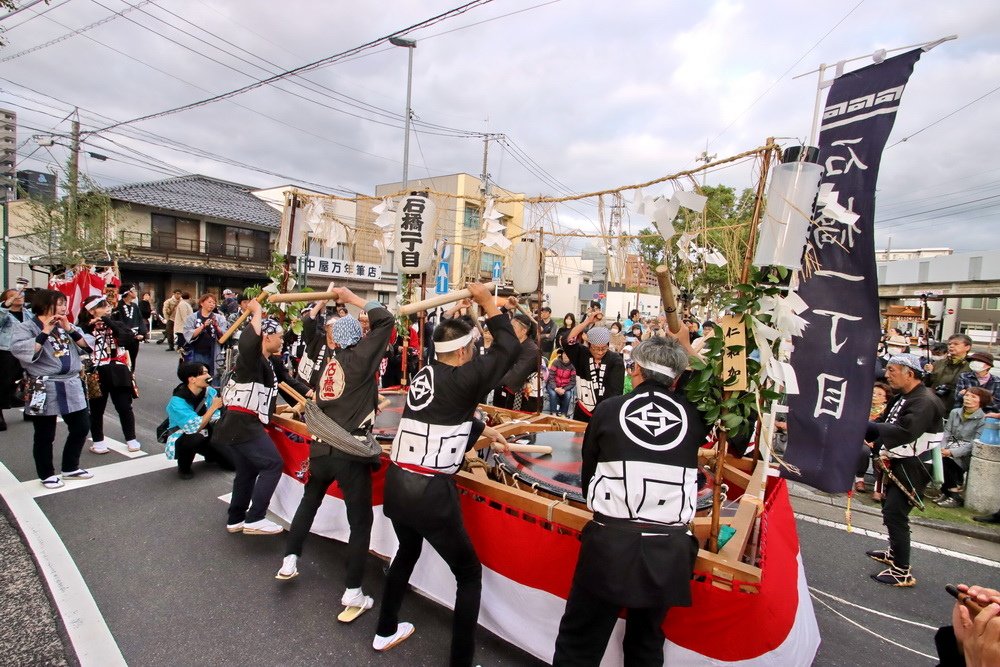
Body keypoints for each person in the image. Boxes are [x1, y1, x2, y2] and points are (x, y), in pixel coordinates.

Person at [372, 282, 518, 663]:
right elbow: (509, 349)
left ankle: (385, 629)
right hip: (430, 494)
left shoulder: (426, 373)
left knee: (406, 551)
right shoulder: (465, 379)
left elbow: (442, 419)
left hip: (398, 484)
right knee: (468, 574)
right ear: (466, 351)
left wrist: (483, 430)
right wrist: (488, 303)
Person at [552, 334, 705, 666]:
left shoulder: (608, 411)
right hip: (670, 548)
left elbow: (589, 477)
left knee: (579, 644)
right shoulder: (693, 416)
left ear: (634, 369)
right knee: (645, 645)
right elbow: (719, 390)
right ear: (678, 378)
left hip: (611, 544)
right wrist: (688, 350)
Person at [277, 287, 394, 619]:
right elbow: (385, 318)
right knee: (360, 522)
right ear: (358, 338)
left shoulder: (328, 364)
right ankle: (353, 592)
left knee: (309, 500)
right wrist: (352, 297)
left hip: (321, 448)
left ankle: (289, 559)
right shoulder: (358, 359)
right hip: (348, 450)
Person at [864, 353, 946, 587]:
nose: (886, 375)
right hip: (896, 459)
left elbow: (904, 431)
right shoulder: (905, 396)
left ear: (909, 373)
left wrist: (867, 428)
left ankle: (902, 570)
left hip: (914, 464)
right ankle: (894, 552)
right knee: (888, 506)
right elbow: (886, 419)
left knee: (895, 513)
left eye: (892, 370)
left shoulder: (924, 401)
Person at [213, 299, 285, 535]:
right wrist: (256, 312)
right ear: (266, 337)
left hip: (239, 423)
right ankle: (255, 518)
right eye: (280, 337)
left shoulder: (265, 362)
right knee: (273, 464)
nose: (282, 341)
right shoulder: (251, 359)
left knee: (247, 471)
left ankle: (236, 517)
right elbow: (247, 342)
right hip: (242, 423)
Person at [10, 290, 93, 489]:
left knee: (81, 426)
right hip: (43, 385)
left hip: (71, 383)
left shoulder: (66, 325)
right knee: (45, 434)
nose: (64, 307)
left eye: (65, 303)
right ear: (45, 304)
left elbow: (87, 346)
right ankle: (46, 473)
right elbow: (20, 349)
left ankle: (70, 467)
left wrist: (70, 329)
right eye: (60, 303)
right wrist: (45, 332)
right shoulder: (27, 327)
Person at [78, 296, 142, 454]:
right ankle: (98, 441)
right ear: (92, 311)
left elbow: (128, 339)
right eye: (103, 306)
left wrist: (108, 321)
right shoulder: (83, 328)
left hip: (118, 368)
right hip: (95, 370)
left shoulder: (116, 324)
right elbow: (81, 346)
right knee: (96, 408)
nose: (108, 308)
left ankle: (131, 438)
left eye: (108, 305)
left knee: (124, 406)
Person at [164, 362, 232, 479]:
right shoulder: (177, 402)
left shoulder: (209, 391)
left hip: (207, 431)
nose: (209, 376)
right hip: (185, 435)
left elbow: (216, 417)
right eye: (204, 373)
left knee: (232, 465)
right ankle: (184, 467)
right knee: (195, 437)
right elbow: (193, 427)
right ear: (192, 379)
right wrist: (213, 407)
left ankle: (211, 454)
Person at [564, 309, 625, 423]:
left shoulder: (615, 360)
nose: (600, 352)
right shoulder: (581, 354)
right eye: (596, 348)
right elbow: (568, 340)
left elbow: (616, 391)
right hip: (582, 410)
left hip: (605, 414)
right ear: (589, 344)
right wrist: (587, 321)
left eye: (604, 348)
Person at [937, 386, 991, 508]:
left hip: (966, 453)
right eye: (967, 395)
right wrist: (942, 447)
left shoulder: (983, 419)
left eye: (973, 397)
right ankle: (948, 492)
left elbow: (974, 443)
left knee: (947, 460)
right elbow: (946, 432)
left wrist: (951, 452)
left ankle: (954, 495)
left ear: (980, 401)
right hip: (948, 446)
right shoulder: (954, 412)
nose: (968, 398)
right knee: (938, 457)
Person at [494, 310, 541, 412]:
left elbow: (516, 374)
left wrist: (494, 379)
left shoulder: (532, 350)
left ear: (524, 331)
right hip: (505, 388)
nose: (509, 330)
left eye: (513, 327)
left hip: (525, 397)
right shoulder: (513, 343)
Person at [0, 282, 32, 431]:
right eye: (13, 296)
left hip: (26, 350)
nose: (18, 297)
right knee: (5, 382)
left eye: (20, 295)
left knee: (29, 380)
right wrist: (6, 306)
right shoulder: (3, 313)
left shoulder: (28, 313)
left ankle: (29, 408)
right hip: (7, 351)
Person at [855, 381, 893, 493]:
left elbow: (886, 429)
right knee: (863, 450)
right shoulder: (861, 408)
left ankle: (879, 486)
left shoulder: (888, 411)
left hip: (879, 441)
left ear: (886, 399)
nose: (875, 396)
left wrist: (875, 441)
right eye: (873, 393)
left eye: (879, 394)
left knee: (882, 452)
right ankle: (859, 478)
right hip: (860, 439)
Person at [182, 294, 228, 378]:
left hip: (214, 351)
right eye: (209, 302)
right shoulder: (192, 317)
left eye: (214, 303)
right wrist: (203, 326)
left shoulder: (219, 318)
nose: (212, 304)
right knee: (198, 374)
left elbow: (224, 335)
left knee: (214, 375)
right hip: (197, 351)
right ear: (202, 303)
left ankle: (212, 390)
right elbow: (188, 334)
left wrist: (216, 326)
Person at [296, 297, 336, 388]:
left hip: (326, 389)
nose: (336, 330)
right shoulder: (316, 338)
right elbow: (307, 322)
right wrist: (321, 303)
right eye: (333, 326)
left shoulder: (341, 346)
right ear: (326, 327)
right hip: (305, 384)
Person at [925, 333, 973, 407]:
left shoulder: (972, 366)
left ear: (967, 347)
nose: (951, 346)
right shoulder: (938, 364)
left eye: (956, 344)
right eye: (949, 344)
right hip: (934, 404)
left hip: (956, 407)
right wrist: (928, 372)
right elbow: (926, 384)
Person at [112, 284, 147, 371]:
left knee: (132, 359)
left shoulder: (135, 306)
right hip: (123, 338)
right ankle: (124, 379)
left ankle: (131, 378)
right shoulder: (118, 306)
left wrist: (142, 333)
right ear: (128, 292)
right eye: (134, 290)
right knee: (122, 359)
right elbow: (116, 322)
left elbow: (140, 320)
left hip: (135, 338)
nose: (135, 292)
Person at [954, 351, 1000, 416]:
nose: (974, 362)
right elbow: (958, 397)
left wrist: (967, 395)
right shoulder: (964, 376)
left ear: (988, 365)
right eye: (973, 360)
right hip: (963, 414)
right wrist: (987, 398)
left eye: (979, 361)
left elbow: (996, 405)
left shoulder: (997, 381)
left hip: (986, 416)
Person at [546, 348, 577, 418]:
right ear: (562, 355)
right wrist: (556, 388)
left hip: (565, 387)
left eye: (568, 354)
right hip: (553, 385)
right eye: (564, 354)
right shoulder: (556, 362)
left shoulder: (573, 366)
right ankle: (553, 414)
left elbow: (573, 381)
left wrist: (564, 389)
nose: (566, 356)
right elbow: (551, 377)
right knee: (553, 394)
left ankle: (563, 414)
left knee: (568, 395)